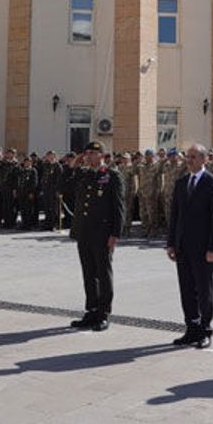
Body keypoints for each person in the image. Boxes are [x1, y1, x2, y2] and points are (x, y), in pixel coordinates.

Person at [167, 143, 213, 349]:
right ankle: (191, 328)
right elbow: (175, 215)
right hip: (183, 246)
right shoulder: (181, 182)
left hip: (203, 248)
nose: (188, 160)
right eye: (187, 157)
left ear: (204, 159)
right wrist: (171, 243)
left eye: (193, 157)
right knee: (186, 289)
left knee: (203, 289)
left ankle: (205, 330)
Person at [69, 142, 124, 332]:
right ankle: (91, 310)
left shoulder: (111, 175)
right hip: (84, 231)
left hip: (102, 233)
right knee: (88, 273)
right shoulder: (85, 174)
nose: (89, 156)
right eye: (87, 153)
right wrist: (74, 165)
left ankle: (103, 313)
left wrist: (115, 234)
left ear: (102, 155)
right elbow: (64, 186)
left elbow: (118, 208)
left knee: (103, 273)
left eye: (93, 153)